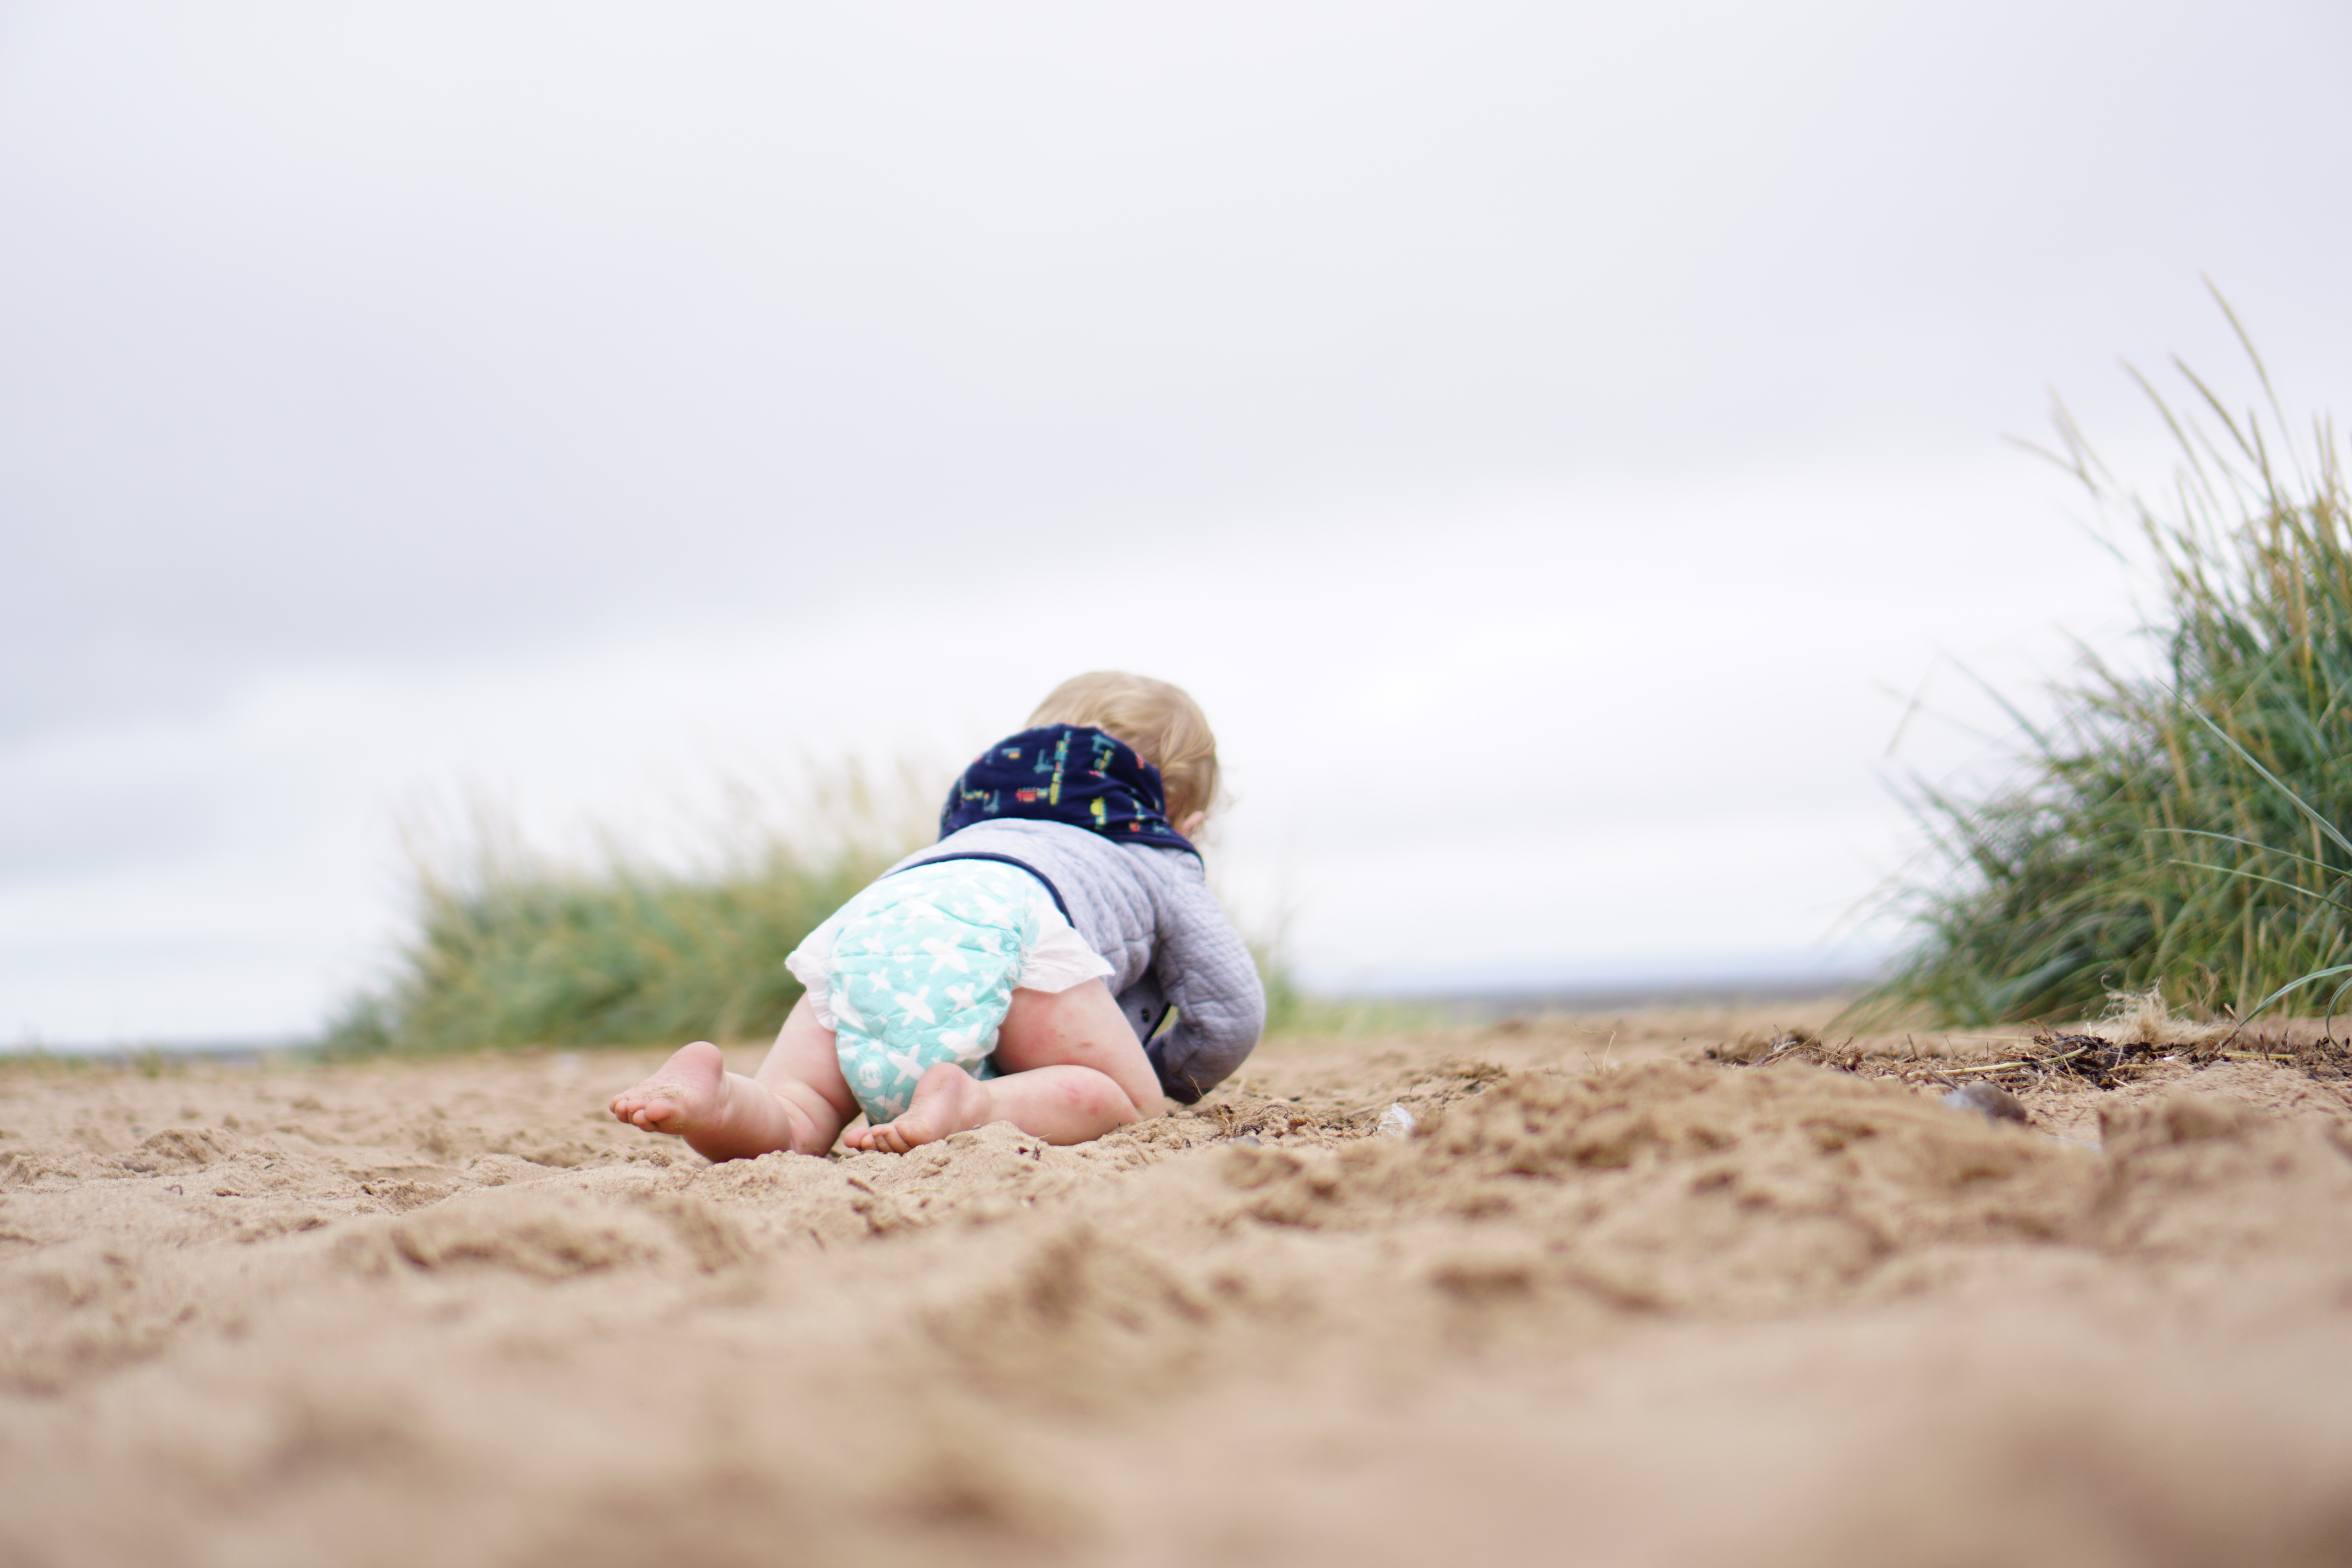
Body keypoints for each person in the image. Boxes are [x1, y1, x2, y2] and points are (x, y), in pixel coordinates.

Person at [610, 671, 1265, 1159]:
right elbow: (1230, 1010)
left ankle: (717, 1098)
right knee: (1126, 1106)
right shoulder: (1155, 853)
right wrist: (1168, 1072)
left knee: (796, 1116)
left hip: (868, 928)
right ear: (1185, 819)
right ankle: (976, 1106)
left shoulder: (965, 837)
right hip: (1014, 925)